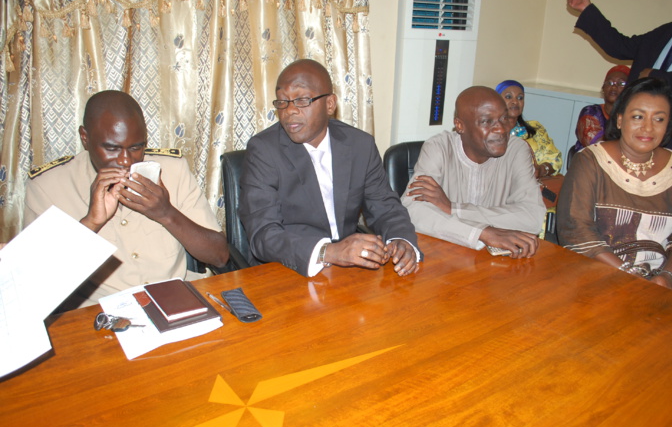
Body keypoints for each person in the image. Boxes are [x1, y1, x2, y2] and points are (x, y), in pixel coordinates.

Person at [24, 90, 229, 309]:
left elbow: (219, 256)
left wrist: (166, 213)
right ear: (85, 137)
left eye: (136, 147)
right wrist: (91, 223)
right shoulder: (47, 187)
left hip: (173, 301)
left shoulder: (173, 170)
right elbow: (34, 284)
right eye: (111, 148)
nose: (125, 160)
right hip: (98, 313)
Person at [239, 59, 419, 277]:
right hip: (288, 268)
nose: (289, 111)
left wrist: (401, 240)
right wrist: (329, 252)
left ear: (330, 104)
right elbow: (263, 234)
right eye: (282, 102)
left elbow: (385, 206)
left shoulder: (359, 144)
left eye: (302, 100)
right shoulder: (263, 151)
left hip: (348, 270)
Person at [557, 78, 672, 294]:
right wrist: (629, 274)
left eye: (659, 119)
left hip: (662, 283)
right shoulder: (591, 160)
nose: (648, 127)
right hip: (596, 278)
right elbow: (576, 230)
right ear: (620, 119)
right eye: (638, 116)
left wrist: (666, 277)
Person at [401, 86, 545, 258]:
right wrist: (481, 233)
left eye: (504, 118)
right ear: (460, 126)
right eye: (486, 121)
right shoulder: (439, 148)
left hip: (496, 262)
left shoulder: (517, 150)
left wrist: (453, 208)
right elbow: (413, 210)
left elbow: (532, 217)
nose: (501, 129)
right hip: (445, 257)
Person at [567, 0, 672, 172]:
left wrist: (657, 77)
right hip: (634, 135)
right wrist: (586, 9)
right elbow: (621, 46)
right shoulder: (668, 31)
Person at [496, 80, 562, 178]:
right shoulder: (488, 132)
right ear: (496, 101)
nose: (515, 102)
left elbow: (555, 158)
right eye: (509, 97)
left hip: (534, 185)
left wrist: (541, 170)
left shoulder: (536, 128)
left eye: (520, 98)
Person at [573, 65, 630, 152]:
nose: (614, 87)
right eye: (609, 83)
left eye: (621, 83)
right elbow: (597, 147)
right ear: (603, 88)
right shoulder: (590, 112)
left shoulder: (631, 117)